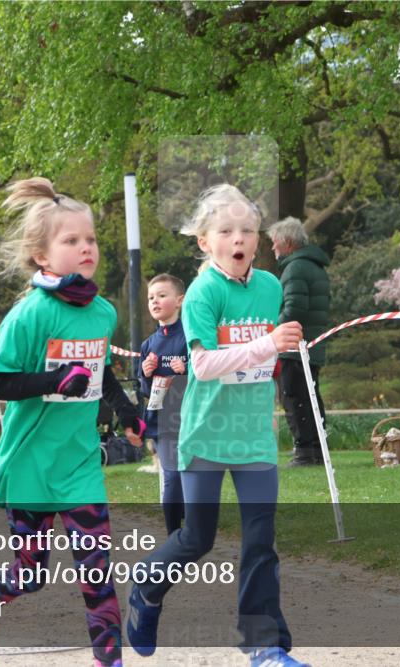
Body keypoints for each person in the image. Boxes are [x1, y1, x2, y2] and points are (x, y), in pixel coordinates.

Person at [0, 177, 144, 667]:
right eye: (71, 240)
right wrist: (55, 380)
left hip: (79, 463)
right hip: (31, 465)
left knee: (97, 572)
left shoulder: (102, 312)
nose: (86, 248)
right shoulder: (28, 314)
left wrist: (128, 415)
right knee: (30, 574)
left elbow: (100, 372)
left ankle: (110, 661)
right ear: (41, 255)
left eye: (91, 239)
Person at [125, 184, 309, 667]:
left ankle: (264, 647)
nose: (238, 237)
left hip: (253, 437)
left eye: (247, 229)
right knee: (195, 538)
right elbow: (203, 365)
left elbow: (265, 354)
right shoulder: (204, 292)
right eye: (226, 230)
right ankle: (146, 587)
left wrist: (284, 347)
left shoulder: (271, 287)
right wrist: (269, 345)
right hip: (205, 435)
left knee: (260, 542)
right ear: (205, 242)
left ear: (259, 239)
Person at [267, 216, 331, 467]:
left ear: (288, 243)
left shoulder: (295, 268)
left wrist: (271, 331)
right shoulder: (315, 267)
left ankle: (305, 452)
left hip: (294, 346)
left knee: (293, 396)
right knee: (311, 396)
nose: (273, 249)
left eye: (275, 244)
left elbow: (294, 308)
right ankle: (316, 449)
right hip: (311, 344)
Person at [138, 273, 188, 534]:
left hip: (192, 418)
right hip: (162, 420)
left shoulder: (191, 336)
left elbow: (208, 375)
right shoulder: (149, 344)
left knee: (191, 478)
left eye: (162, 295)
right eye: (150, 297)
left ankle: (192, 531)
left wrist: (186, 370)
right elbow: (144, 390)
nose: (155, 301)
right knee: (172, 476)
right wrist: (146, 374)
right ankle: (173, 535)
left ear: (179, 300)